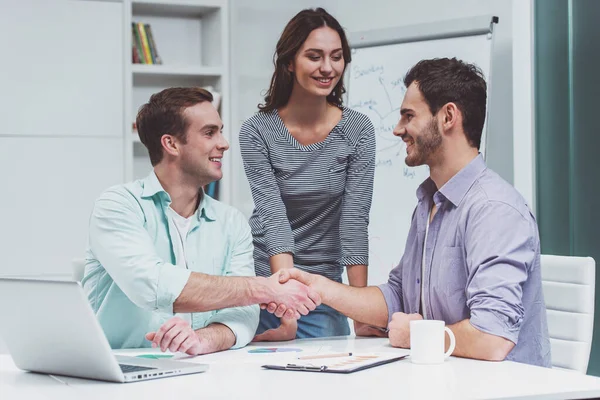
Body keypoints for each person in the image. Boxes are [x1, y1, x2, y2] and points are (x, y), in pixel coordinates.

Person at [271, 58, 551, 366]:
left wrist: (416, 334)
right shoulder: (429, 203)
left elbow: (493, 338)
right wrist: (320, 288)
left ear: (448, 117)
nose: (397, 129)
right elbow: (397, 297)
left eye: (408, 116)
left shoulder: (494, 210)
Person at [82, 87, 320, 356]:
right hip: (117, 375)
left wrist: (202, 339)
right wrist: (264, 289)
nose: (224, 143)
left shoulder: (232, 222)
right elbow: (153, 285)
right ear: (171, 144)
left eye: (220, 130)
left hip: (197, 372)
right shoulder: (118, 206)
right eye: (210, 133)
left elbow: (243, 314)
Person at [238, 7, 376, 340]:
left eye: (336, 57)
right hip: (266, 286)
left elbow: (354, 221)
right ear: (288, 62)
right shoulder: (257, 131)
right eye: (314, 56)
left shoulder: (358, 129)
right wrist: (286, 308)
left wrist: (360, 310)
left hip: (324, 289)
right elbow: (274, 219)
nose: (327, 68)